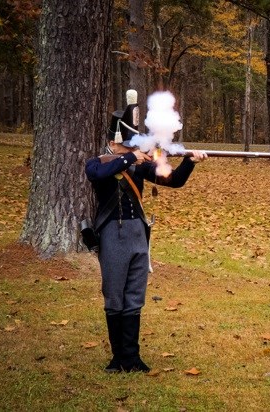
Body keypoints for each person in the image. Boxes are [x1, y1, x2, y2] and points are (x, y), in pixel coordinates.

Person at [85, 90, 207, 373]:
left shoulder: (140, 167)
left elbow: (173, 180)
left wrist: (189, 161)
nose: (131, 151)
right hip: (112, 237)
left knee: (135, 297)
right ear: (111, 144)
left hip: (138, 236)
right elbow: (97, 175)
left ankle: (132, 357)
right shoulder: (99, 163)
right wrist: (130, 159)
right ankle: (118, 359)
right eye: (126, 146)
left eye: (133, 147)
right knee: (115, 297)